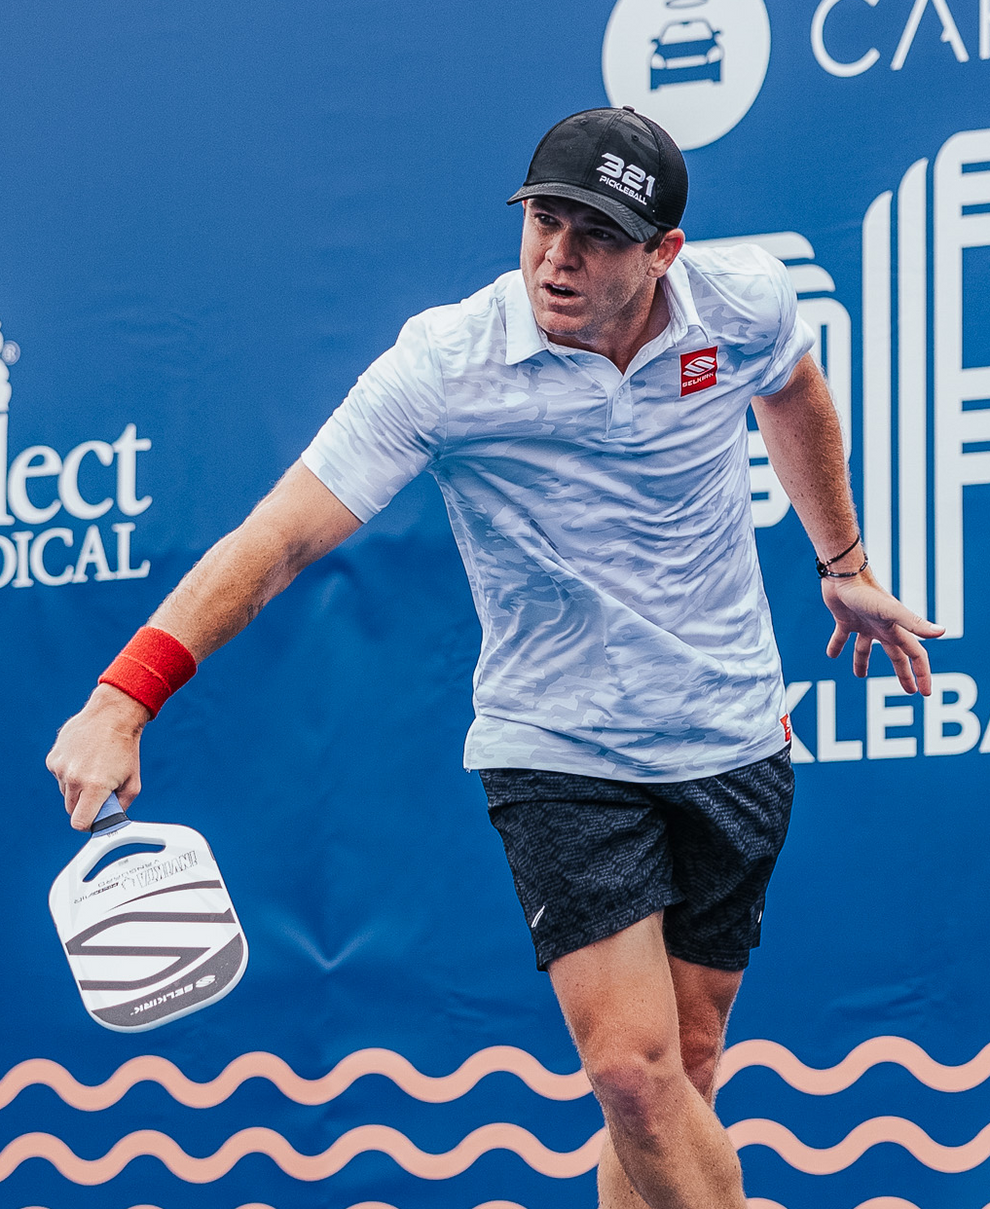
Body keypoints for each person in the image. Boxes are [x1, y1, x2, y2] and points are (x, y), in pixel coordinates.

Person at [47, 107, 944, 1209]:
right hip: (558, 743)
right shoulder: (448, 364)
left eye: (596, 235)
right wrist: (120, 698)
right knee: (627, 1069)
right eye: (544, 222)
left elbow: (792, 391)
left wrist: (840, 558)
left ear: (663, 253)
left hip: (731, 731)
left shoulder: (743, 299)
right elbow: (276, 539)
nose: (557, 258)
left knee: (682, 1076)